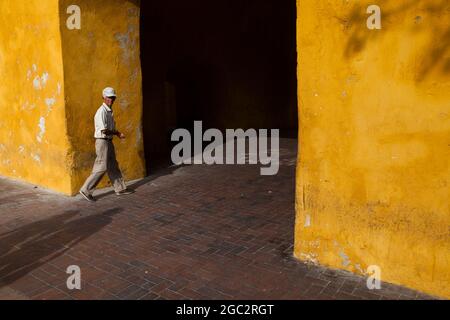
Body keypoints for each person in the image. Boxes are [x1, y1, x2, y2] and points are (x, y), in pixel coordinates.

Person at [79, 87, 134, 202]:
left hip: (108, 141)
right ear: (103, 97)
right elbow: (104, 130)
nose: (111, 100)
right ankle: (85, 190)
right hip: (102, 141)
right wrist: (117, 133)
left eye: (113, 97)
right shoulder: (101, 112)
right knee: (101, 166)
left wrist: (115, 133)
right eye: (109, 97)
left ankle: (120, 188)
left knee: (113, 165)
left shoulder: (109, 111)